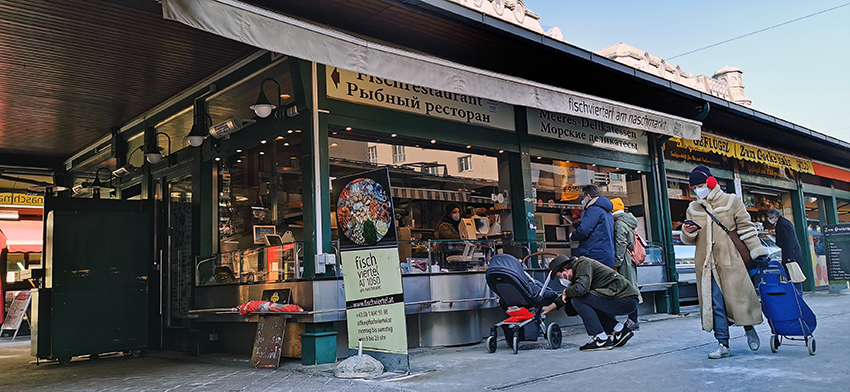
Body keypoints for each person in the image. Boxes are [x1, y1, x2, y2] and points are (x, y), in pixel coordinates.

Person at [681, 164, 766, 359]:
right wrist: (688, 231)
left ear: (711, 182)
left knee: (739, 299)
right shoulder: (693, 207)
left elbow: (746, 228)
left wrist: (756, 250)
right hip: (706, 264)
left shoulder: (731, 201)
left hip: (731, 261)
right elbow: (688, 239)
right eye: (695, 187)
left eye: (701, 184)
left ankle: (748, 328)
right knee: (715, 304)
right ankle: (723, 343)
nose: (698, 189)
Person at [542, 255, 639, 351]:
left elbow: (581, 290)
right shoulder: (578, 272)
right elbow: (567, 297)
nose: (563, 279)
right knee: (578, 304)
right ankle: (619, 329)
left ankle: (600, 338)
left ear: (565, 269)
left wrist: (566, 291)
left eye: (560, 276)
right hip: (623, 299)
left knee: (578, 300)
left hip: (625, 299)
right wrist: (549, 307)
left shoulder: (583, 264)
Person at [611, 197, 641, 331]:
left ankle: (633, 319)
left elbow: (620, 243)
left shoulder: (619, 223)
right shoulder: (629, 221)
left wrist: (616, 262)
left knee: (628, 289)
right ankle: (633, 318)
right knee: (631, 286)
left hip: (624, 260)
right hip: (630, 258)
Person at [570, 185, 615, 269]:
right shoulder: (607, 211)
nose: (583, 200)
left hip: (594, 255)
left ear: (588, 196)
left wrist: (573, 235)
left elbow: (584, 230)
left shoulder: (593, 209)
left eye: (583, 197)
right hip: (605, 255)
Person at [768, 208, 805, 292]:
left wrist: (789, 256)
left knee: (793, 275)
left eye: (770, 217)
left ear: (775, 217)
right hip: (792, 253)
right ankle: (796, 294)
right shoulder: (784, 222)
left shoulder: (782, 224)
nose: (769, 219)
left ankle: (797, 295)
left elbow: (789, 240)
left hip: (791, 254)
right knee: (793, 275)